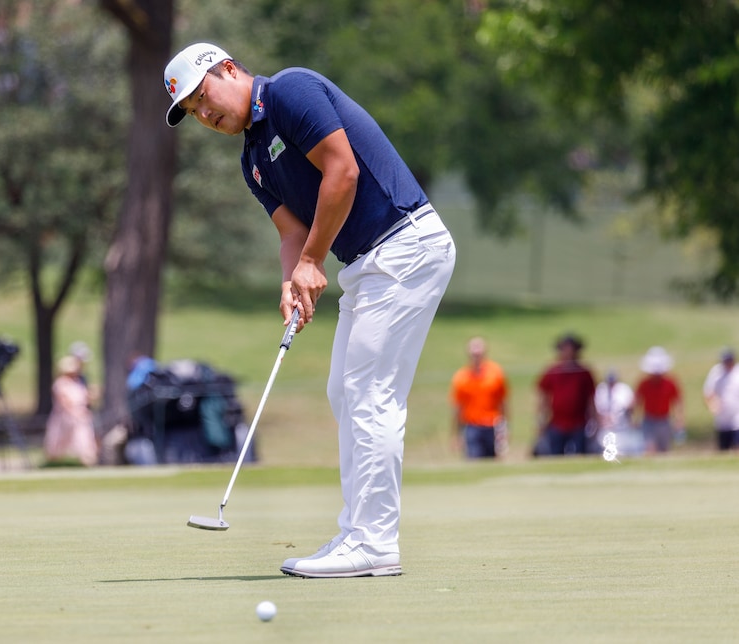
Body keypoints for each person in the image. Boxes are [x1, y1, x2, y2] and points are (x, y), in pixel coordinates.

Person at [164, 43, 456, 578]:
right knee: (345, 391)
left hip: (405, 246)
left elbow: (341, 172)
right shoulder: (252, 160)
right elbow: (292, 233)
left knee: (370, 393)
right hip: (371, 264)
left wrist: (314, 261)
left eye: (203, 97)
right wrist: (290, 278)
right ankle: (358, 533)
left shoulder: (291, 90)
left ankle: (373, 542)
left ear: (228, 70)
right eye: (193, 113)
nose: (205, 115)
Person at [534, 333, 597, 456]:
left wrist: (594, 420)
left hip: (579, 423)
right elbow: (543, 397)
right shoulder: (552, 371)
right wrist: (540, 419)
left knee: (580, 453)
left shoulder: (583, 372)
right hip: (557, 423)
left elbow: (591, 398)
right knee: (555, 454)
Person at [450, 337, 509, 459]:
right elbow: (458, 408)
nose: (476, 355)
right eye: (473, 351)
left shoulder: (496, 373)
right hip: (472, 427)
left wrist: (506, 428)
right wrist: (456, 434)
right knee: (474, 460)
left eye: (479, 351)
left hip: (493, 425)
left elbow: (503, 402)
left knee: (493, 460)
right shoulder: (461, 377)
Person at [43, 355, 98, 466]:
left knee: (84, 441)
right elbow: (63, 401)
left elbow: (85, 398)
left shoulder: (78, 382)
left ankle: (87, 462)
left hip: (80, 416)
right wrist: (74, 412)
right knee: (57, 444)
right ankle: (52, 464)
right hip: (65, 417)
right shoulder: (60, 383)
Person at [633, 346, 684, 454]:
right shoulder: (644, 383)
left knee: (664, 450)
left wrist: (679, 421)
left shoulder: (670, 383)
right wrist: (635, 418)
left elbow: (677, 402)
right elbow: (637, 401)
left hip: (664, 420)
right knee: (650, 449)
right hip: (649, 420)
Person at [594, 369, 642, 456]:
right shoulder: (601, 391)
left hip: (622, 428)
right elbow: (596, 409)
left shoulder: (623, 390)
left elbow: (631, 407)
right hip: (605, 429)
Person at [703, 348, 739, 451]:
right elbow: (708, 392)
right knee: (723, 449)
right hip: (722, 419)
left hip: (737, 417)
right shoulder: (716, 372)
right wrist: (712, 405)